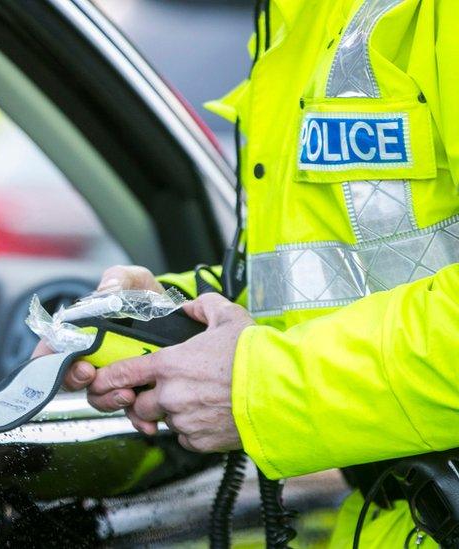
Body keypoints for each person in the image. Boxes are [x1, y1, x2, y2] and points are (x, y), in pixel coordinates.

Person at [50, 0, 459, 546]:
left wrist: (257, 385)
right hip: (396, 516)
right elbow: (319, 281)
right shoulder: (299, 19)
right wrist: (168, 317)